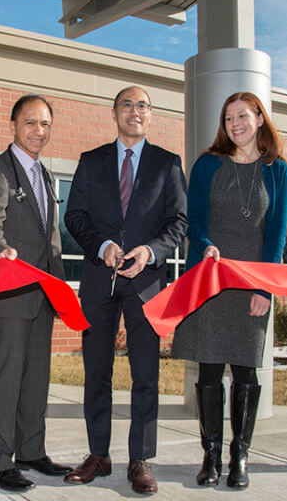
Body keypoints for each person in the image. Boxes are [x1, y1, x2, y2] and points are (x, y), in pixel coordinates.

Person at [63, 86, 188, 495]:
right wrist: (102, 245)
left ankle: (141, 459)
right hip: (100, 280)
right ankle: (98, 455)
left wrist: (150, 251)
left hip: (146, 285)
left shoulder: (168, 164)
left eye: (142, 106)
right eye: (127, 105)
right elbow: (75, 216)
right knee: (96, 372)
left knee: (145, 375)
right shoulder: (91, 161)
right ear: (114, 112)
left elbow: (179, 223)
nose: (135, 112)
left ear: (151, 115)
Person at [173, 92, 287, 489]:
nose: (235, 124)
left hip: (252, 283)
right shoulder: (208, 164)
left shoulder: (279, 171)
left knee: (245, 369)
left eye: (243, 116)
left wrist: (265, 288)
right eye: (228, 119)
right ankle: (210, 456)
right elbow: (193, 220)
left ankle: (239, 455)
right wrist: (205, 244)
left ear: (260, 118)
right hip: (211, 277)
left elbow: (275, 237)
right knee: (208, 367)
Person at [0, 94, 73, 492]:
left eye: (46, 124)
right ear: (13, 124)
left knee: (36, 379)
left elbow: (50, 237)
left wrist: (60, 286)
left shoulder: (47, 176)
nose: (39, 131)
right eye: (31, 123)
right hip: (12, 293)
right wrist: (2, 253)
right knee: (7, 378)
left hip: (44, 294)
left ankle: (31, 451)